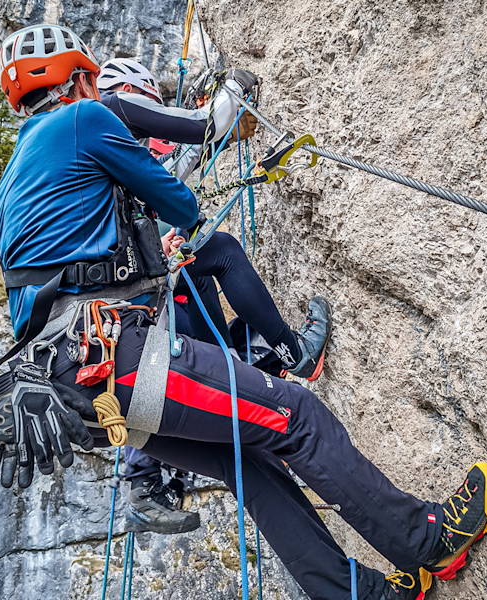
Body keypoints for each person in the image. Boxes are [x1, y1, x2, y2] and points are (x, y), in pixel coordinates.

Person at [0, 24, 487, 600]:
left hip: (75, 391)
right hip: (121, 358)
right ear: (79, 78)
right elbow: (178, 202)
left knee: (249, 458)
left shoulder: (9, 185)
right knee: (297, 416)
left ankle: (361, 594)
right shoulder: (84, 118)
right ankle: (429, 539)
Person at [92, 56, 333, 535]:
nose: (153, 115)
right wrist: (235, 88)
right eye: (150, 105)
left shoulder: (88, 164)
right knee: (218, 252)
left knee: (182, 305)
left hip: (114, 306)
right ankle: (292, 352)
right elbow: (197, 144)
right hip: (142, 292)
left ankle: (148, 473)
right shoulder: (119, 131)